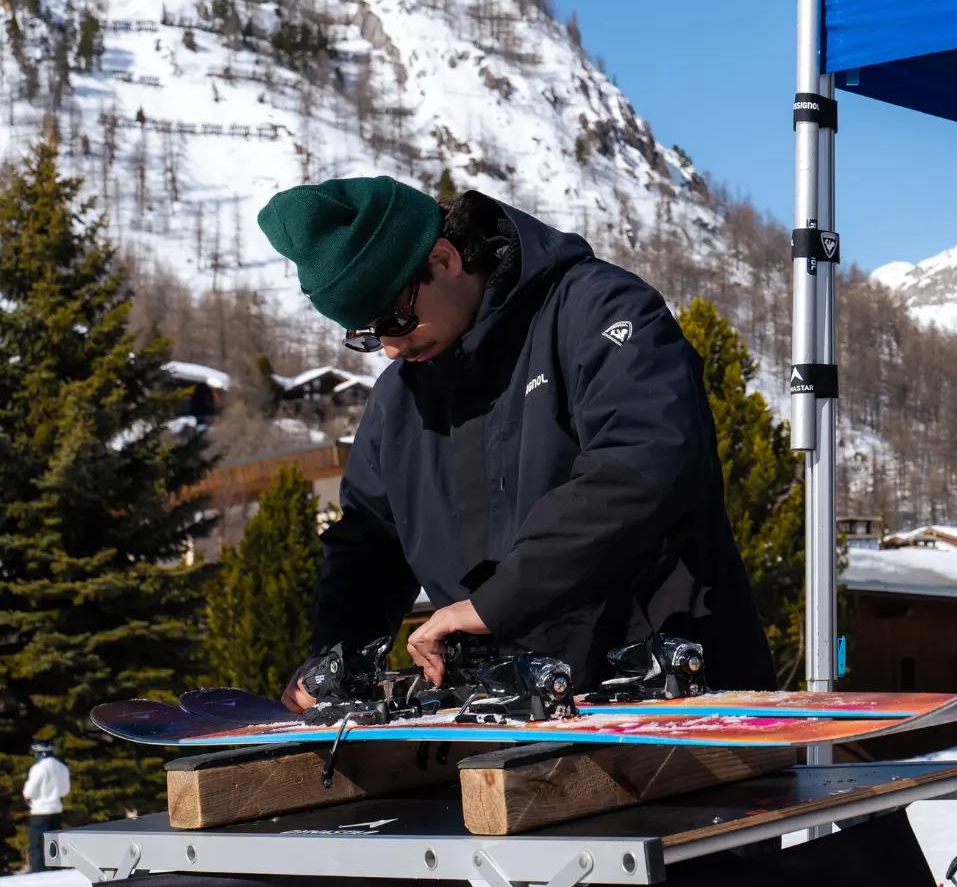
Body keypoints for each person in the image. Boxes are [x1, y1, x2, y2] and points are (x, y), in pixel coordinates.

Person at [255, 177, 775, 707]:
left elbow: (644, 463)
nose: (390, 348)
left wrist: (495, 602)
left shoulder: (598, 309)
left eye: (396, 318)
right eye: (366, 335)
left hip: (671, 698)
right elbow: (369, 543)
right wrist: (334, 658)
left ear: (443, 259)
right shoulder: (400, 397)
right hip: (515, 716)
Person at [22, 740, 69, 873]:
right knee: (54, 844)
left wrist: (27, 797)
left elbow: (29, 790)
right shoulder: (61, 767)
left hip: (40, 810)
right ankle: (57, 870)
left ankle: (39, 872)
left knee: (37, 846)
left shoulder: (39, 768)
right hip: (56, 809)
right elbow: (64, 791)